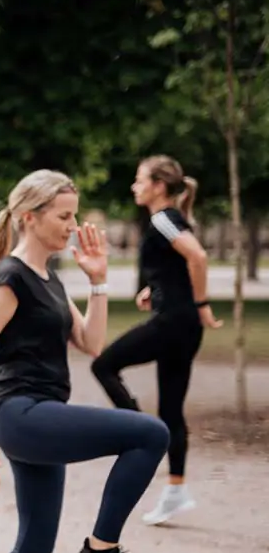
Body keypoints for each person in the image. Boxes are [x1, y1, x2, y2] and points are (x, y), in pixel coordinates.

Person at [0, 170, 170, 553]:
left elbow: (91, 343)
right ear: (30, 217)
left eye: (75, 215)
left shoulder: (48, 279)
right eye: (64, 215)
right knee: (150, 434)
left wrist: (98, 281)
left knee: (34, 547)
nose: (74, 225)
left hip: (43, 414)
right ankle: (101, 550)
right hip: (20, 413)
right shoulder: (9, 278)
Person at [91, 155, 221, 526]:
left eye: (140, 179)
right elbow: (178, 265)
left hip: (175, 322)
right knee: (171, 409)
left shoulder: (163, 218)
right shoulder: (171, 219)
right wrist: (156, 289)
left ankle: (135, 431)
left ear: (158, 186)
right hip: (181, 322)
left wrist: (202, 304)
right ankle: (176, 490)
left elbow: (197, 256)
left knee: (104, 364)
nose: (135, 186)